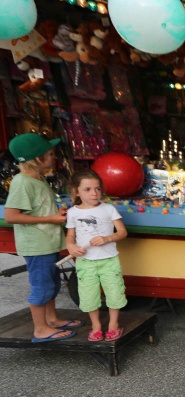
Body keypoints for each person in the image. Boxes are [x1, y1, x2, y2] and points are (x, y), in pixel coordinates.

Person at [4, 133, 81, 342]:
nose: (54, 157)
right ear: (37, 159)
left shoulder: (38, 179)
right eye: (49, 154)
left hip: (47, 243)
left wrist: (58, 213)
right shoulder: (22, 182)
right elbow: (11, 216)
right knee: (42, 286)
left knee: (53, 283)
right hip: (37, 246)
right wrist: (51, 218)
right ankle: (40, 329)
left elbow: (38, 208)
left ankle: (52, 320)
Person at [65, 171, 128, 342]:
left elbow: (122, 232)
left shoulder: (108, 209)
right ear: (76, 192)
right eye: (87, 189)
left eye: (97, 189)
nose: (94, 193)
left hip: (109, 260)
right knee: (88, 295)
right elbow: (70, 236)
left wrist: (108, 238)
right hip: (85, 262)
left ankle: (113, 324)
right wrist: (71, 246)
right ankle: (96, 326)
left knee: (114, 293)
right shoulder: (72, 212)